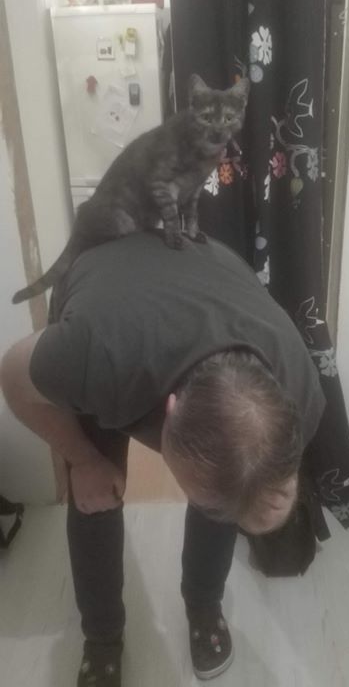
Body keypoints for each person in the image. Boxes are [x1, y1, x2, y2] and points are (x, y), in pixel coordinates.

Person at [1, 230, 326, 686]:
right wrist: (83, 459)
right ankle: (102, 636)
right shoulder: (94, 355)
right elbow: (12, 378)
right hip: (107, 284)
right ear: (167, 411)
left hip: (207, 271)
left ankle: (204, 603)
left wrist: (268, 502)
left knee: (226, 486)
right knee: (95, 492)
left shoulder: (301, 395)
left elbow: (254, 486)